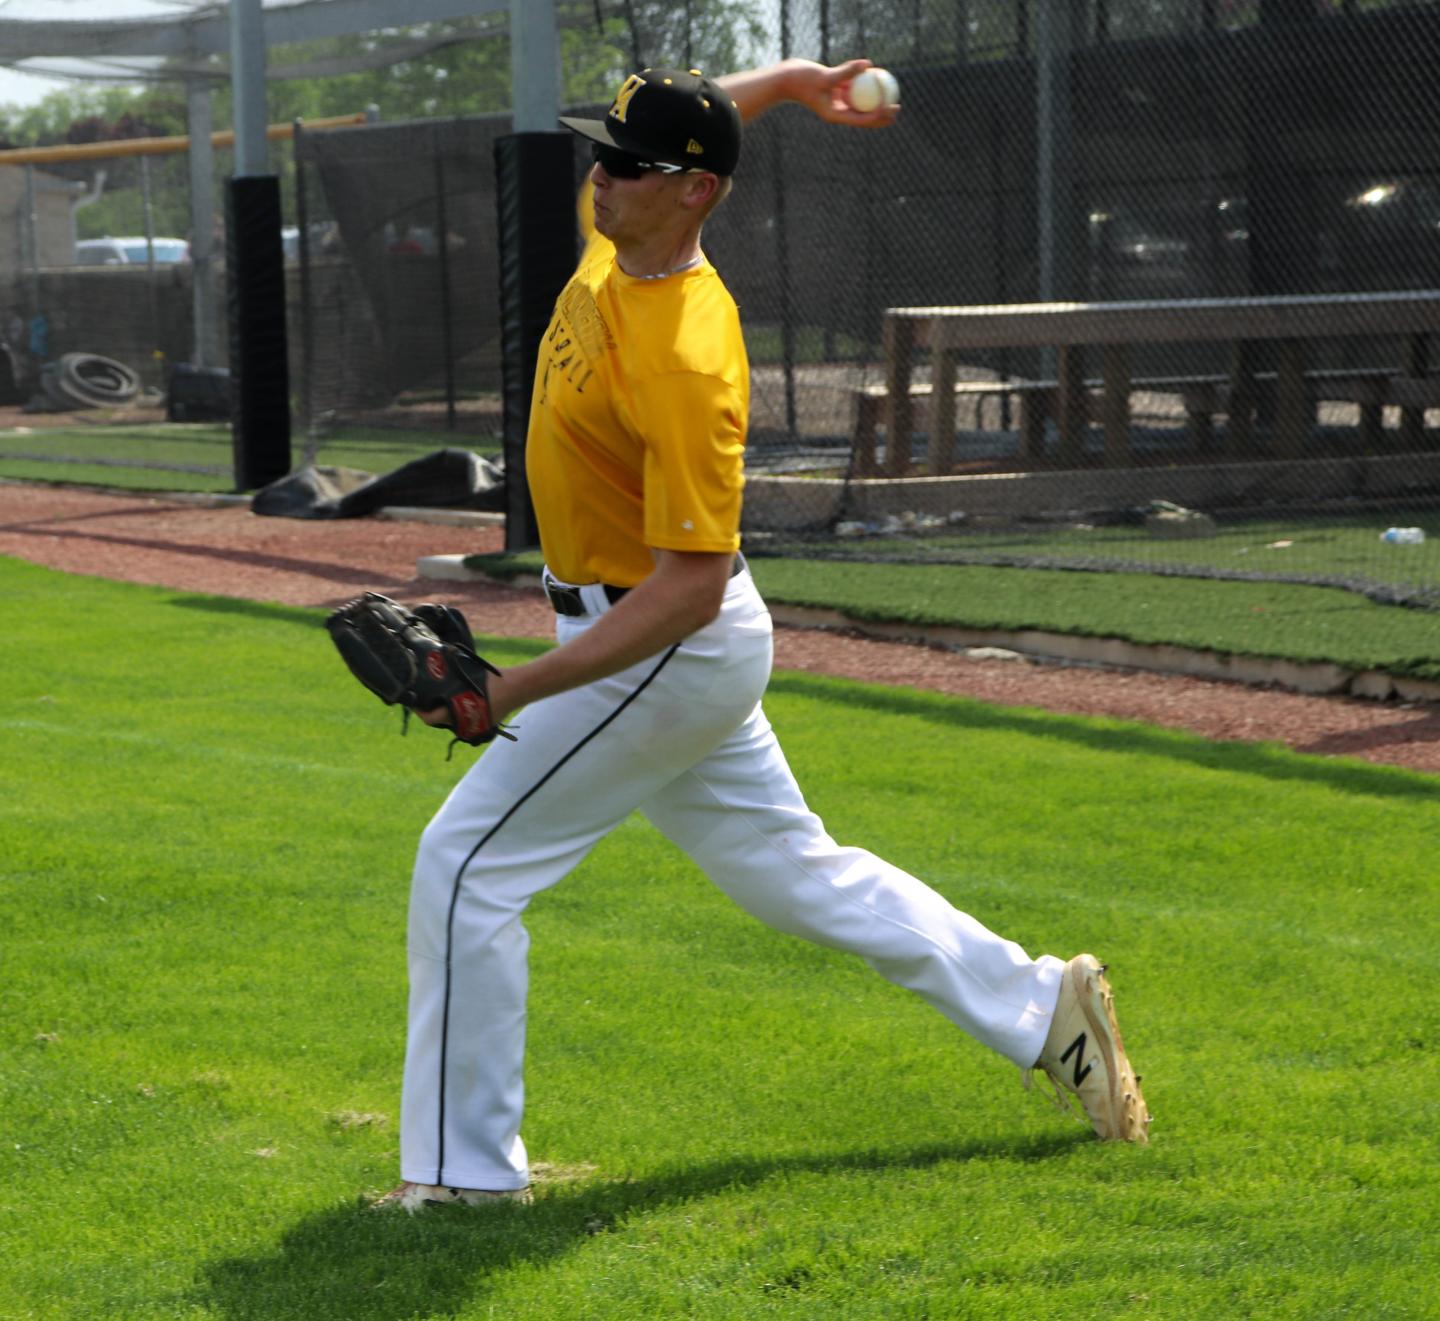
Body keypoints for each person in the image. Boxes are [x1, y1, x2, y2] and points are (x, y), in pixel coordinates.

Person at [379, 58, 1149, 1212]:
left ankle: (461, 1179)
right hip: (656, 638)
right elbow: (703, 128)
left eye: (629, 165)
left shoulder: (689, 350)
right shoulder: (621, 241)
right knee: (799, 875)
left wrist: (517, 687)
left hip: (664, 649)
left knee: (466, 867)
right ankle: (1043, 1007)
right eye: (603, 151)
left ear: (693, 193)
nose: (602, 175)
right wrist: (790, 82)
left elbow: (686, 590)